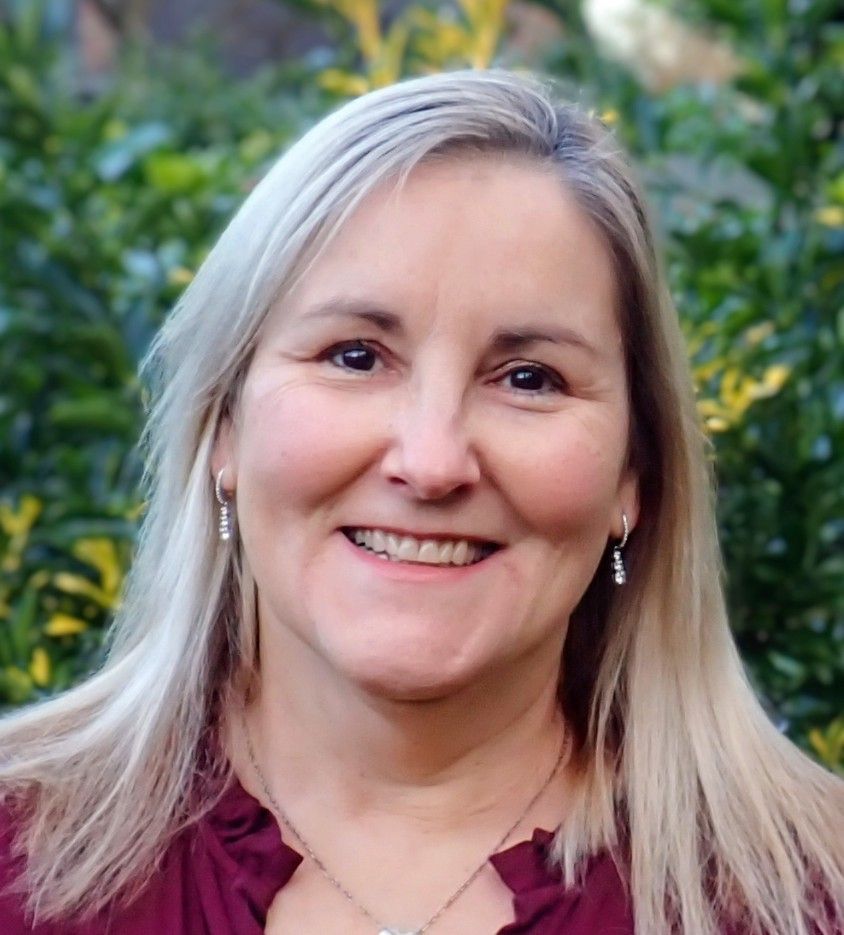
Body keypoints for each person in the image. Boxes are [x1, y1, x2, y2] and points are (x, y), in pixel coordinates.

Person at [0, 69, 841, 935]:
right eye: (356, 356)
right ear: (224, 429)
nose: (433, 461)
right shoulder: (14, 866)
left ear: (636, 474)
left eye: (529, 377)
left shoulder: (812, 898)